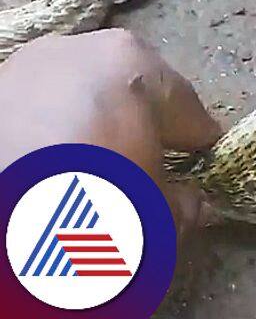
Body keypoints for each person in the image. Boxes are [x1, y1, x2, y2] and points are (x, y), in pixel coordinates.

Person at [0, 28, 223, 248]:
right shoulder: (127, 61)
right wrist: (191, 195)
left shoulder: (29, 57)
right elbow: (201, 132)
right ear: (138, 82)